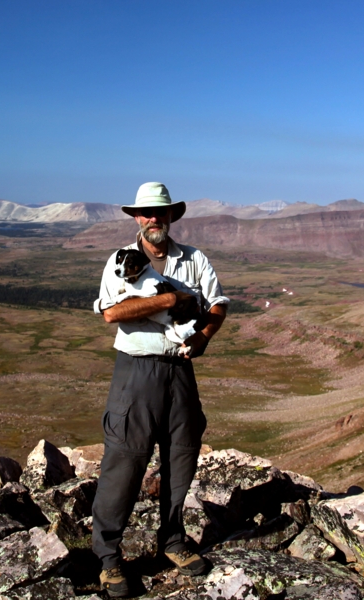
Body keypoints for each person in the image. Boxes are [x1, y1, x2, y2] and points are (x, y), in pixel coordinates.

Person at [91, 182, 229, 597]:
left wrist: (203, 335)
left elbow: (218, 303)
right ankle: (109, 558)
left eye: (161, 212)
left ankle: (171, 541)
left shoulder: (195, 259)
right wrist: (169, 298)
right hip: (136, 371)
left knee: (182, 455)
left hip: (180, 370)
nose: (155, 218)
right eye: (147, 212)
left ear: (171, 217)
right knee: (126, 460)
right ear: (137, 217)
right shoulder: (120, 260)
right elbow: (113, 312)